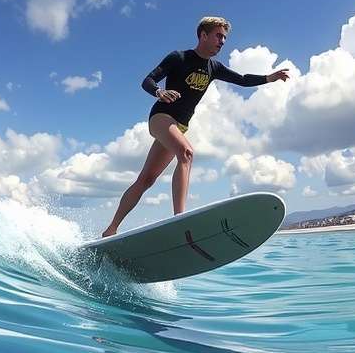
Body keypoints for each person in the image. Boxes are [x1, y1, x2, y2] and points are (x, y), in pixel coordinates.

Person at [102, 16, 290, 237]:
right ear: (203, 35)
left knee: (146, 179)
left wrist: (269, 78)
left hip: (179, 126)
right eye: (218, 36)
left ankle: (110, 229)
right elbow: (148, 79)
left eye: (225, 38)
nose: (222, 41)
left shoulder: (214, 67)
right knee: (187, 153)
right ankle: (180, 219)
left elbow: (242, 79)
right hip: (161, 116)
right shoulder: (179, 58)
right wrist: (159, 92)